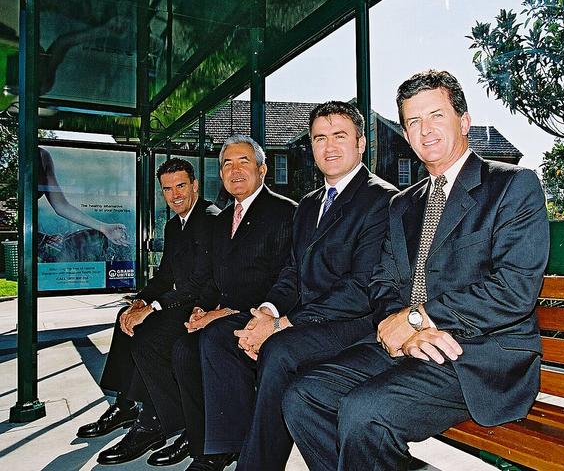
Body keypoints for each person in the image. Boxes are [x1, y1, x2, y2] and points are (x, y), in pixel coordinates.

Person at [282, 70, 550, 471]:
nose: (425, 131)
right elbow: (384, 281)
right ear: (405, 134)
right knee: (303, 395)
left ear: (463, 120)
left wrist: (418, 318)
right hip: (411, 346)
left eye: (436, 116)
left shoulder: (512, 186)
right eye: (413, 122)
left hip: (477, 355)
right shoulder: (402, 205)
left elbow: (513, 289)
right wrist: (404, 329)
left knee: (364, 411)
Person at [196, 101, 397, 471]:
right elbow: (292, 271)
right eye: (320, 138)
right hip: (305, 318)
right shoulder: (308, 204)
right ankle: (227, 445)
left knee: (279, 350)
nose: (329, 146)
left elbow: (361, 288)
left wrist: (282, 325)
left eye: (340, 136)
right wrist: (268, 312)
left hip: (353, 322)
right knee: (222, 334)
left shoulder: (382, 200)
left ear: (361, 143)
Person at [133, 135, 297, 469]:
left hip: (263, 314)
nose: (235, 170)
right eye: (227, 164)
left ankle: (221, 448)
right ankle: (200, 439)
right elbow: (214, 277)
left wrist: (223, 312)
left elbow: (286, 278)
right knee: (183, 347)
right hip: (223, 311)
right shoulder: (222, 220)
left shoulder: (285, 212)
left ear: (263, 169)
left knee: (211, 339)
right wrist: (201, 308)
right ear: (220, 173)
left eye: (244, 162)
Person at [76, 158, 220, 466]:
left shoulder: (209, 219)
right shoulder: (173, 225)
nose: (175, 194)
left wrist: (154, 307)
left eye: (181, 186)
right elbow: (166, 276)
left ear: (194, 185)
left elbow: (200, 281)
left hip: (203, 306)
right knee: (125, 319)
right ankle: (126, 404)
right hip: (180, 300)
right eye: (167, 189)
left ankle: (157, 419)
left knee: (148, 334)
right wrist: (141, 301)